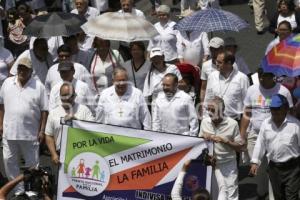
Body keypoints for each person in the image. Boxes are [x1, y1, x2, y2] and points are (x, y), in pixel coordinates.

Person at [240, 68, 293, 198]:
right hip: (255, 135)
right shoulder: (252, 90)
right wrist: (242, 135)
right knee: (257, 168)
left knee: (273, 168)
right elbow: (247, 113)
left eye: (266, 77)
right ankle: (261, 192)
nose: (262, 79)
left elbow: (289, 115)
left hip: (275, 136)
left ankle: (272, 195)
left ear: (273, 77)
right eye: (260, 76)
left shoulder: (283, 91)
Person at [0, 57, 48, 194]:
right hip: (9, 132)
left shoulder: (39, 86)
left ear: (30, 71)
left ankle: (31, 190)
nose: (21, 70)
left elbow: (44, 110)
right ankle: (18, 191)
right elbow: (1, 105)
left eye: (25, 68)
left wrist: (42, 130)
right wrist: (0, 123)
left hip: (30, 133)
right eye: (20, 67)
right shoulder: (7, 83)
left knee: (32, 164)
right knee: (9, 162)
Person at [249, 94, 300, 200]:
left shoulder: (295, 124)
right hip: (274, 168)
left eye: (278, 109)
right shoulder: (265, 124)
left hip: (293, 168)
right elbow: (260, 143)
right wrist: (255, 162)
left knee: (291, 197)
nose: (275, 112)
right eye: (272, 109)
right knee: (278, 196)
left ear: (286, 109)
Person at [199, 96, 243, 200]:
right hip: (210, 166)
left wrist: (226, 141)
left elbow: (239, 148)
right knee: (212, 195)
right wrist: (203, 137)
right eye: (208, 109)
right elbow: (199, 144)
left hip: (228, 165)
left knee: (231, 195)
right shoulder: (205, 122)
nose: (209, 112)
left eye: (213, 110)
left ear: (222, 110)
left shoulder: (233, 124)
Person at [45, 83, 94, 165]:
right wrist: (53, 154)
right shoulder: (53, 113)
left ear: (75, 95)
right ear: (60, 96)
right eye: (64, 95)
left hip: (82, 154)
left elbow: (93, 131)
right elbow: (49, 135)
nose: (67, 98)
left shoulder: (85, 110)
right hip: (61, 156)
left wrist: (76, 121)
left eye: (69, 95)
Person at [204, 50, 250, 121]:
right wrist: (205, 118)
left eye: (219, 62)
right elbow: (208, 99)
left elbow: (247, 104)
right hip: (215, 120)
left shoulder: (242, 78)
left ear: (229, 63)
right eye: (216, 61)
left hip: (235, 120)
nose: (216, 64)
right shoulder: (212, 76)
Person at [200, 37, 224, 115]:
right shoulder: (205, 65)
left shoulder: (231, 65)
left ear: (222, 49)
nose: (213, 51)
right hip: (209, 105)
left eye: (216, 49)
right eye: (211, 49)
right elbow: (203, 88)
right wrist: (201, 105)